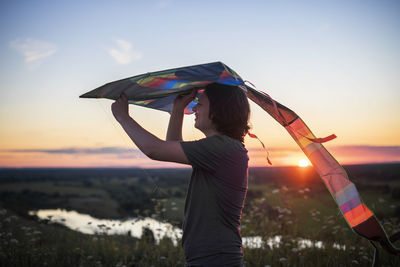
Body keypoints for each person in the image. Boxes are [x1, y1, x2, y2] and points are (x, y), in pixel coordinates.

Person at [112, 83, 250, 267]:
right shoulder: (224, 147)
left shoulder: (223, 147)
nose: (194, 108)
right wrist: (177, 110)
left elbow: (154, 149)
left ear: (218, 109)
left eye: (199, 104)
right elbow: (172, 146)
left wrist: (123, 117)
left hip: (216, 259)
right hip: (211, 258)